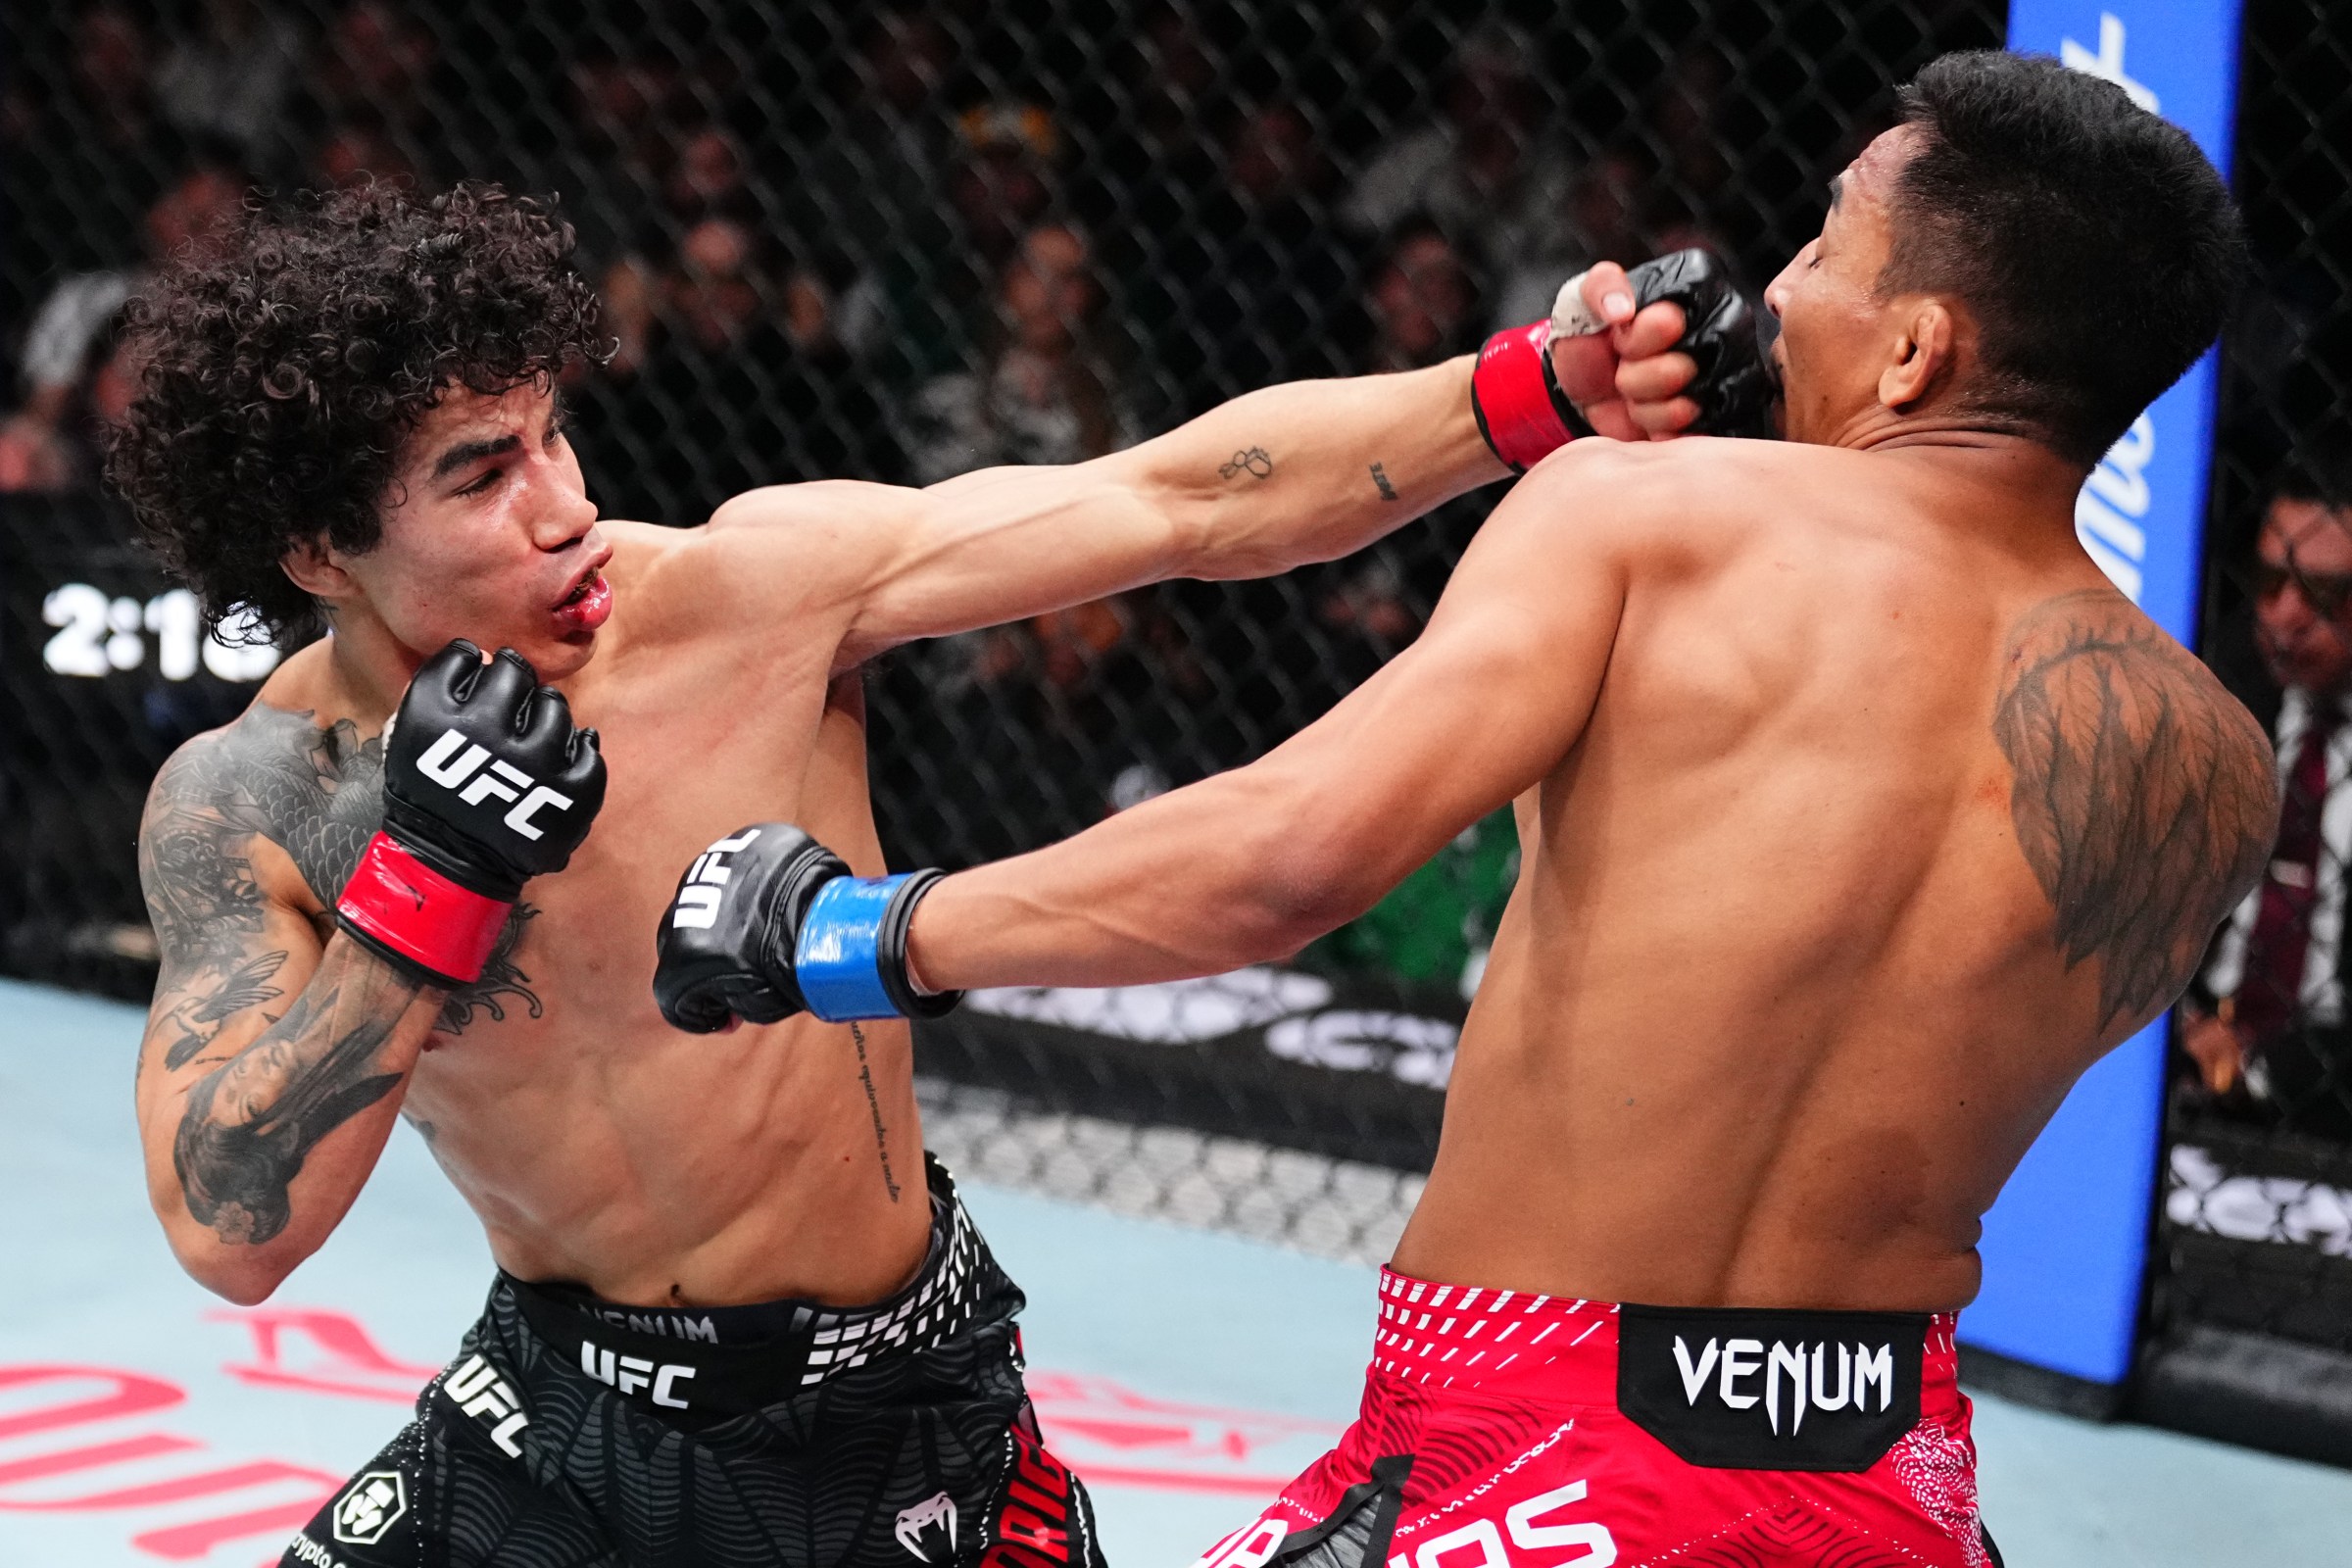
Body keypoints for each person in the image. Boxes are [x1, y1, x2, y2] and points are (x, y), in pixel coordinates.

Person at [658, 54, 2275, 1566]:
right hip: (1891, 1479)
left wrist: (847, 928)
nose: (1774, 289)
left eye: (1828, 243)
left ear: (1917, 347)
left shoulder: (1652, 521)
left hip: (1543, 1433)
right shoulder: (2210, 765)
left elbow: (1289, 857)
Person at [115, 173, 1730, 1566]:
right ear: (317, 549)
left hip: (884, 1409)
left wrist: (1524, 391)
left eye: (553, 437)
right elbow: (230, 1234)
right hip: (555, 1406)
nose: (572, 508)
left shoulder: (749, 596)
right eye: (481, 474)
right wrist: (429, 884)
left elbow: (1171, 497)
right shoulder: (252, 802)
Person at [2183, 459, 2352, 1142]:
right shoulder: (2209, 686)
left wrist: (2259, 1070)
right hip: (2181, 1052)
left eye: (2323, 593)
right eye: (2270, 581)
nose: (2285, 616)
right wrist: (2182, 1036)